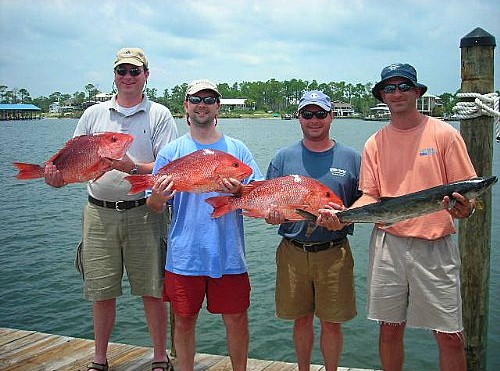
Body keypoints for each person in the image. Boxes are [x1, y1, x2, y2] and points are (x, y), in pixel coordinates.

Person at [325, 63, 476, 371]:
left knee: (450, 336)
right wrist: (343, 215)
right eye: (390, 88)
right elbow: (371, 194)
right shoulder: (374, 143)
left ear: (417, 92)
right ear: (382, 95)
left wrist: (466, 209)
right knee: (389, 329)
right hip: (388, 244)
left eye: (404, 87)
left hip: (435, 246)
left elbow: (465, 195)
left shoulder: (445, 134)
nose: (397, 93)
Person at [44, 47, 178, 371]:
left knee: (153, 288)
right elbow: (73, 158)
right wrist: (56, 176)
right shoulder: (93, 115)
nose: (128, 77)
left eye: (135, 71)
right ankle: (99, 358)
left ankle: (160, 357)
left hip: (146, 211)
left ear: (146, 75)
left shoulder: (159, 115)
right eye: (122, 71)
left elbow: (169, 169)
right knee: (100, 289)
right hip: (98, 212)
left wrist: (133, 168)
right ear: (115, 76)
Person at [147, 79, 263, 371]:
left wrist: (237, 191)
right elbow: (154, 205)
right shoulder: (171, 152)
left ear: (217, 107)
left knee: (237, 318)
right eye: (196, 99)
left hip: (229, 254)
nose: (202, 104)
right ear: (186, 106)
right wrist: (158, 196)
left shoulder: (238, 150)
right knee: (184, 320)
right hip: (185, 254)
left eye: (209, 99)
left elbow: (257, 197)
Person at [265, 90, 361, 371]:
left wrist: (344, 219)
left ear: (331, 116)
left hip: (334, 253)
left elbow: (363, 204)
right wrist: (273, 217)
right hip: (293, 252)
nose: (314, 120)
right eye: (308, 114)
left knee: (332, 323)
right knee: (301, 319)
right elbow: (270, 201)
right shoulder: (283, 158)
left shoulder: (351, 158)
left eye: (320, 114)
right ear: (299, 118)